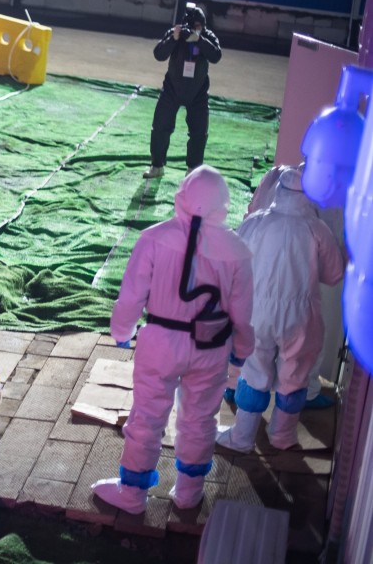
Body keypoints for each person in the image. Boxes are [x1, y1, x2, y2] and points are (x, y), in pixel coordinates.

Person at [92, 166, 254, 513]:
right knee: (200, 419)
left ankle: (133, 493)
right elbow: (242, 312)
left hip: (161, 344)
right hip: (212, 349)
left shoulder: (153, 237)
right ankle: (189, 493)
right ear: (223, 205)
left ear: (181, 197)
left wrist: (122, 332)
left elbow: (131, 296)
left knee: (147, 416)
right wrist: (241, 351)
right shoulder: (237, 249)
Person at [216, 168, 344, 452]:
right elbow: (334, 274)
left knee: (254, 372)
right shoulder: (316, 228)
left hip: (256, 313)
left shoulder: (257, 222)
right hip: (301, 316)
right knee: (295, 375)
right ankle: (283, 436)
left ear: (279, 191)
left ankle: (242, 438)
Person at [143, 5, 222, 179]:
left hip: (198, 91)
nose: (198, 28)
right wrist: (174, 38)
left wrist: (199, 39)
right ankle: (157, 165)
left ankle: (193, 169)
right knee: (160, 126)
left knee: (199, 131)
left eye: (201, 25)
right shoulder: (176, 33)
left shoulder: (207, 36)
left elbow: (216, 55)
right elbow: (159, 54)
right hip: (173, 87)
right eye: (195, 25)